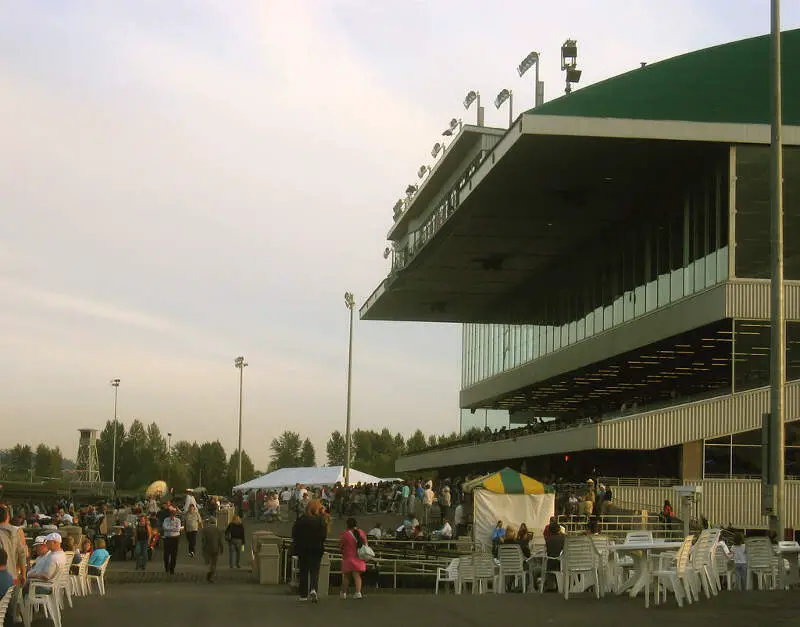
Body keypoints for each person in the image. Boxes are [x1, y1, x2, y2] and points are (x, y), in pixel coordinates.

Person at [292, 500, 328, 602]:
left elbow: (294, 534)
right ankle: (313, 589)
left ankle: (303, 594)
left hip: (303, 548)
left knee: (303, 570)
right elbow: (324, 536)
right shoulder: (320, 520)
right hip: (317, 548)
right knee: (315, 570)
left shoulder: (301, 520)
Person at [339, 517, 368, 600]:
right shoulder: (361, 532)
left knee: (346, 576)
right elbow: (366, 543)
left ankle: (343, 593)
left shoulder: (345, 534)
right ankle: (358, 592)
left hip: (348, 557)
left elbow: (341, 545)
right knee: (357, 575)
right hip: (359, 557)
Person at [200, 517, 224, 583]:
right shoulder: (218, 530)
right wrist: (222, 548)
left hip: (207, 549)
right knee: (214, 563)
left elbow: (203, 540)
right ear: (215, 522)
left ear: (209, 522)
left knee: (208, 562)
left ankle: (208, 572)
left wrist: (203, 548)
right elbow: (220, 541)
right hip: (215, 549)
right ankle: (210, 574)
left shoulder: (204, 530)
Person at [162, 507, 182, 575]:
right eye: (171, 514)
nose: (172, 516)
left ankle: (172, 568)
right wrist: (173, 528)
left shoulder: (178, 520)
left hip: (175, 538)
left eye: (173, 514)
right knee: (166, 554)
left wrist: (170, 529)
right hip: (167, 538)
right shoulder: (166, 520)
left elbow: (178, 529)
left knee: (174, 555)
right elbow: (165, 528)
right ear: (169, 514)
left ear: (175, 515)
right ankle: (166, 566)